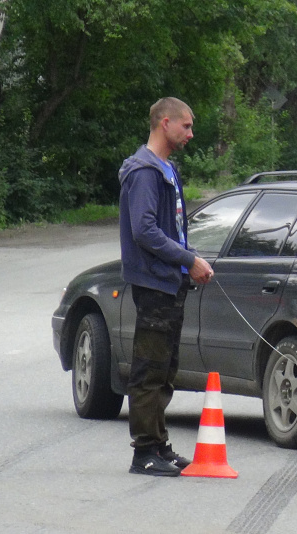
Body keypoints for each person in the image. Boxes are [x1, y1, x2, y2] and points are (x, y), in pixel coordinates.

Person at [118, 97, 215, 476]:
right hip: (153, 283)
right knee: (150, 368)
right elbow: (144, 231)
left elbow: (171, 227)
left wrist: (188, 260)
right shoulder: (143, 171)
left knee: (166, 368)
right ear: (165, 123)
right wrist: (187, 260)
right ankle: (144, 453)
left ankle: (159, 444)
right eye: (186, 126)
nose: (190, 133)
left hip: (170, 283)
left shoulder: (167, 169)